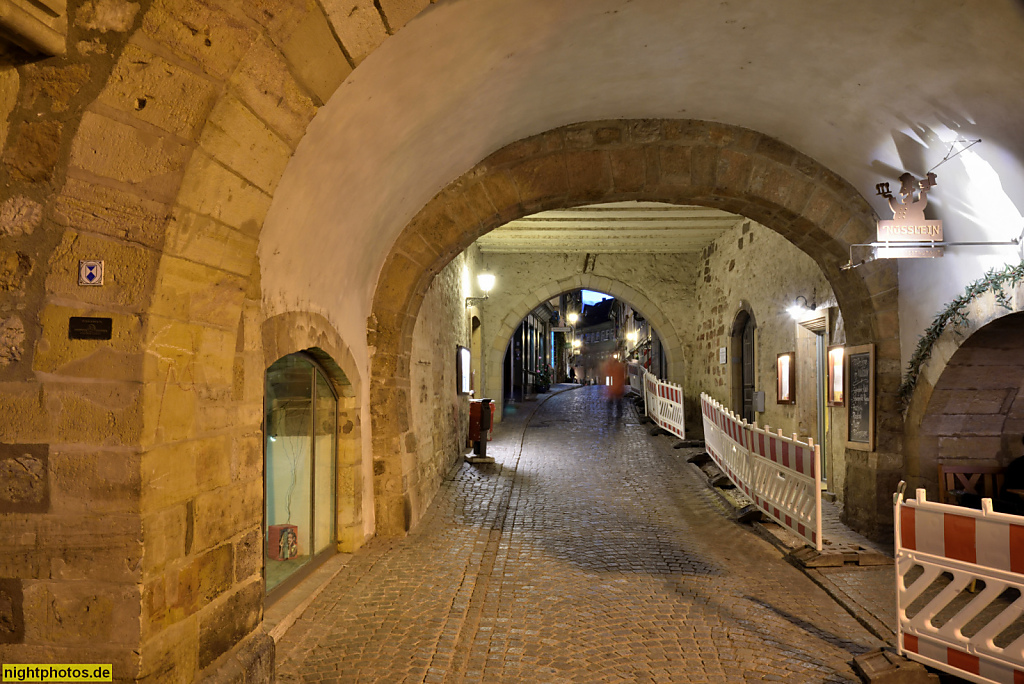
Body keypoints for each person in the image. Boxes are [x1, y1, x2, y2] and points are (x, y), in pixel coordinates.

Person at [602, 353, 627, 422]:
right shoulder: (620, 366)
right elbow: (622, 377)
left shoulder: (611, 367)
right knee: (618, 402)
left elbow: (608, 376)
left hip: (613, 389)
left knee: (611, 402)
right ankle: (619, 415)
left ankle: (610, 415)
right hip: (618, 388)